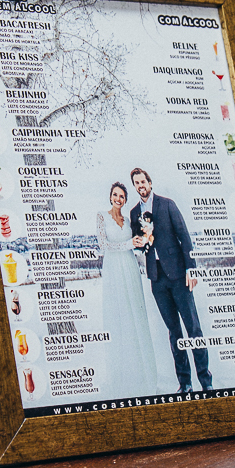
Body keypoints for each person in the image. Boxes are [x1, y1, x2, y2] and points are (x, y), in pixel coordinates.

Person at [128, 168, 213, 393]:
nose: (140, 186)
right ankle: (185, 383)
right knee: (174, 332)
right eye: (136, 183)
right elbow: (139, 244)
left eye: (143, 181)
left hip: (178, 275)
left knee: (193, 328)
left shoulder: (167, 204)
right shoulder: (134, 212)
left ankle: (206, 381)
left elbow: (184, 236)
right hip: (156, 278)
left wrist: (191, 269)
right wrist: (136, 242)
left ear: (150, 182)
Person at [95, 182, 158, 399]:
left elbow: (136, 243)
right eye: (115, 195)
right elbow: (104, 246)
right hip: (113, 269)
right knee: (118, 316)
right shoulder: (101, 216)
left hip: (130, 268)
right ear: (110, 196)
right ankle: (122, 377)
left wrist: (142, 241)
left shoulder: (129, 220)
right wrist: (128, 244)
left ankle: (142, 375)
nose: (118, 199)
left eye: (122, 196)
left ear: (125, 199)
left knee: (135, 317)